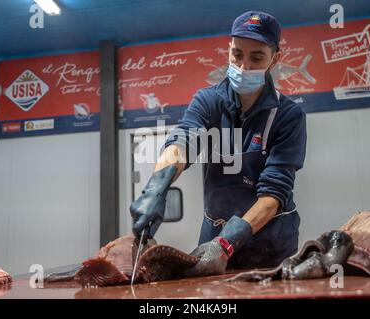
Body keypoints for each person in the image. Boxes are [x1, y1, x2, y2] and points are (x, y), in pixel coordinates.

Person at [130, 11, 307, 276]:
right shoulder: (208, 101)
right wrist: (158, 186)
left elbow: (274, 194)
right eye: (237, 54)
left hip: (269, 244)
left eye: (256, 57)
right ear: (228, 51)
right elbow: (184, 140)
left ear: (274, 59)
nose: (244, 66)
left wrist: (226, 243)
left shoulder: (288, 115)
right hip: (213, 234)